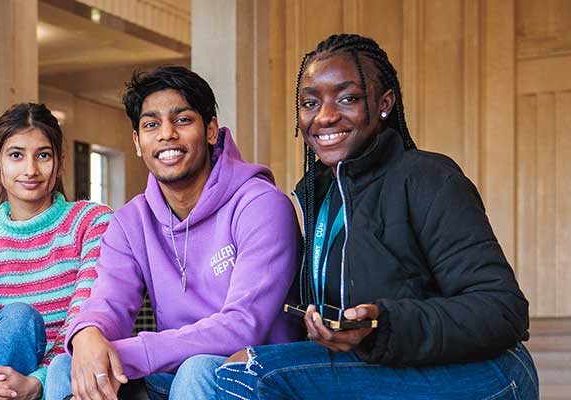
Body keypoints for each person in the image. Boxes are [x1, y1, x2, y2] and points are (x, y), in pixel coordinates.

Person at [212, 33, 538, 399]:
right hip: (382, 370)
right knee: (193, 376)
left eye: (348, 98)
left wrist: (384, 325)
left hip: (483, 372)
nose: (325, 116)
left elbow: (503, 311)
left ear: (384, 103)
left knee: (248, 374)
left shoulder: (428, 177)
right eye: (309, 103)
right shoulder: (319, 197)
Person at [50, 66, 301, 400]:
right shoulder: (130, 223)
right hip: (176, 377)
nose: (166, 134)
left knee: (198, 369)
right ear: (138, 142)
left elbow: (244, 325)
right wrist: (87, 336)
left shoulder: (261, 205)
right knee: (66, 368)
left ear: (211, 130)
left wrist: (126, 354)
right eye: (152, 124)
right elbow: (107, 301)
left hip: (260, 374)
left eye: (182, 120)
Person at [0, 103, 114, 400]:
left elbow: (83, 318)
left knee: (63, 362)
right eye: (16, 155)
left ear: (60, 163)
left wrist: (38, 381)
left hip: (65, 378)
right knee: (19, 320)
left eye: (43, 155)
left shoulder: (92, 222)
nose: (30, 170)